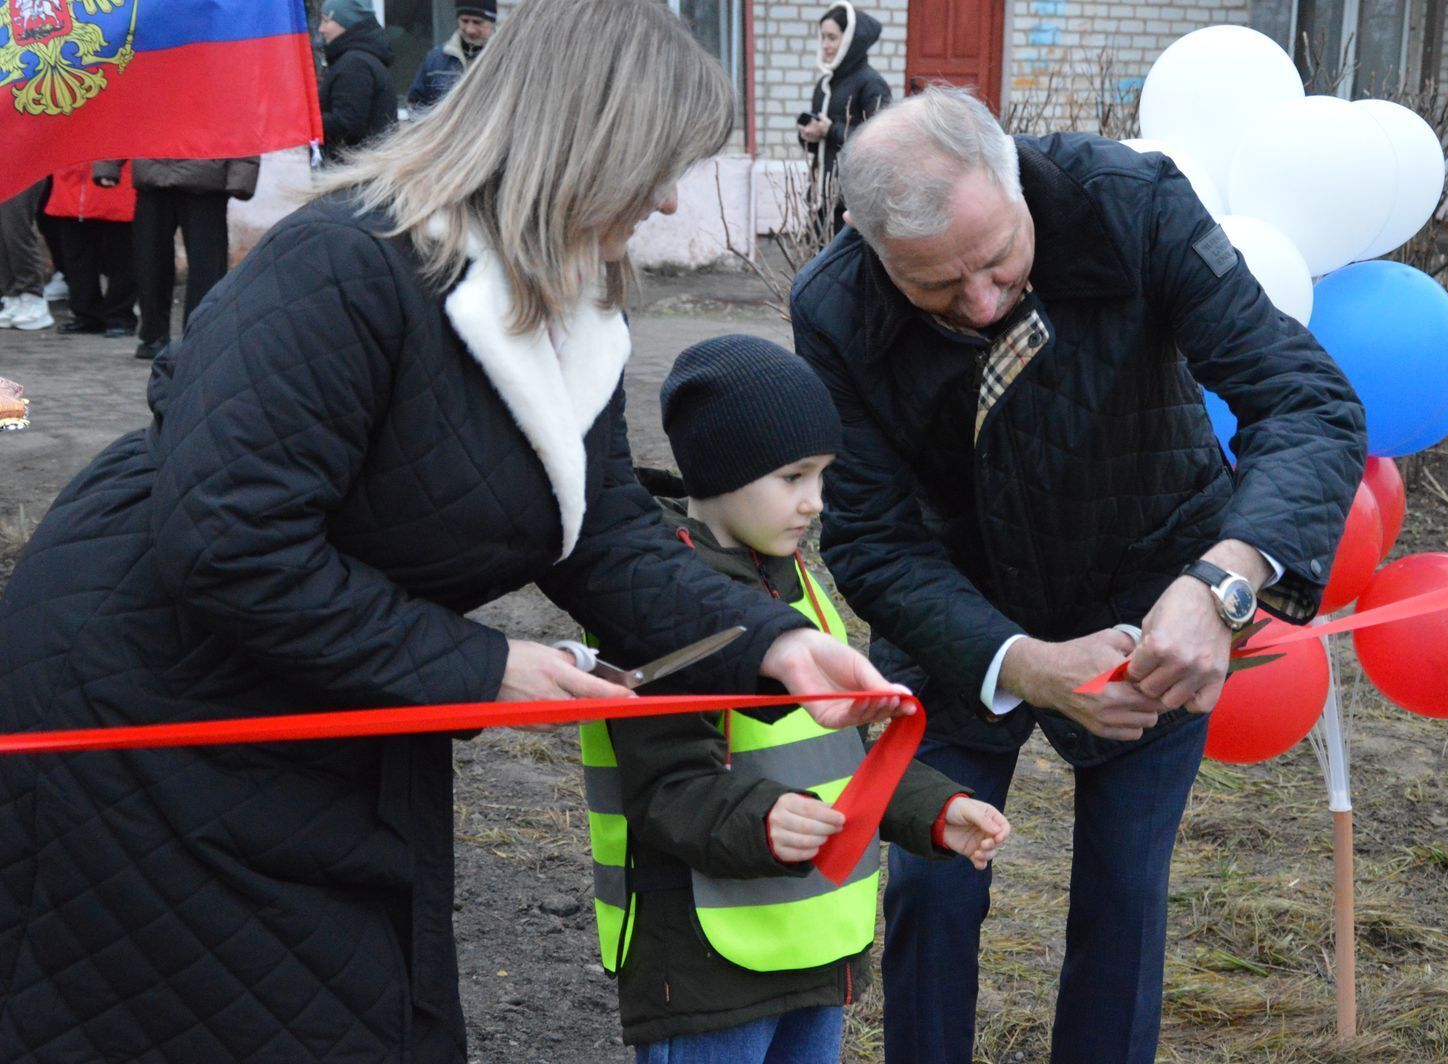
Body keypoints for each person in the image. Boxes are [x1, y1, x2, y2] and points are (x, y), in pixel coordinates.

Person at [0, 3, 908, 1060]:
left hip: (323, 699)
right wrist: (478, 667)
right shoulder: (343, 266)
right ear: (583, 140)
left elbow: (601, 529)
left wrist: (770, 640)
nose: (664, 199)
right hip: (147, 702)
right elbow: (228, 543)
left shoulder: (573, 297)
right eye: (656, 165)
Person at [789, 88, 1367, 1063]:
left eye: (996, 262)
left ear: (1015, 180)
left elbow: (1308, 404)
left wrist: (1219, 580)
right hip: (956, 618)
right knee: (929, 885)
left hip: (1155, 593)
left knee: (1124, 888)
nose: (977, 303)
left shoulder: (1130, 202)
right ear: (868, 241)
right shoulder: (833, 306)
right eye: (934, 286)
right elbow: (872, 541)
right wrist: (1018, 660)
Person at [582, 334, 1012, 1062]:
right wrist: (765, 820)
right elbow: (664, 792)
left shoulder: (802, 587)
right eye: (793, 476)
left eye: (822, 476)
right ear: (722, 469)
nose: (815, 501)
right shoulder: (657, 604)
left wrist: (935, 809)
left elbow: (848, 757)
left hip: (817, 956)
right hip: (705, 968)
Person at [101, 155, 260, 359]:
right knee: (149, 262)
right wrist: (107, 164)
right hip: (155, 177)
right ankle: (153, 335)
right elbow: (125, 125)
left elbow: (239, 131)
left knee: (206, 265)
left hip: (205, 180)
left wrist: (240, 178)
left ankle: (200, 334)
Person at [800, 3, 891, 237]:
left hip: (852, 203)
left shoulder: (872, 84)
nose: (825, 45)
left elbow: (881, 144)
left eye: (832, 37)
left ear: (851, 40)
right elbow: (820, 145)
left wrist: (831, 130)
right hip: (822, 197)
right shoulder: (825, 85)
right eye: (822, 37)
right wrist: (809, 136)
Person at [43, 162, 138, 337]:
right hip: (72, 182)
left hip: (115, 182)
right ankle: (87, 314)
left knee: (122, 258)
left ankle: (119, 315)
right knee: (77, 257)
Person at [318, 0, 399, 161]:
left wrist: (308, 121)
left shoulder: (354, 65)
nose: (321, 29)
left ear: (346, 23)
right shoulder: (360, 59)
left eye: (326, 21)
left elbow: (347, 125)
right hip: (367, 168)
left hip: (355, 173)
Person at [408, 1, 497, 112]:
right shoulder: (435, 59)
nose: (470, 29)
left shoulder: (505, 60)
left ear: (492, 22)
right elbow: (415, 105)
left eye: (477, 22)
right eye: (464, 21)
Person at [0, 182, 53, 332]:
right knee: (3, 235)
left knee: (16, 230)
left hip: (23, 168)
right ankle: (13, 295)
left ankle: (33, 295)